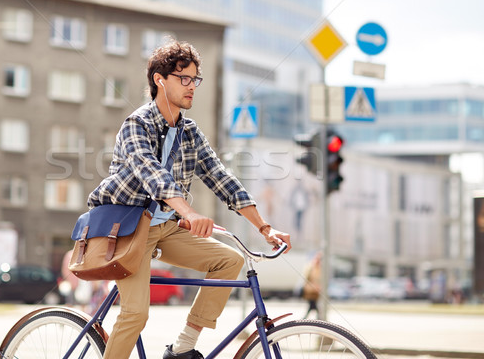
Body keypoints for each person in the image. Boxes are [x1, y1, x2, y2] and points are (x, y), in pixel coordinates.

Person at [88, 39, 292, 359]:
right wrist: (189, 212)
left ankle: (183, 346)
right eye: (184, 78)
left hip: (165, 228)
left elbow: (221, 179)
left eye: (195, 79)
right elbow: (153, 174)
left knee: (229, 260)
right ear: (160, 80)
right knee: (135, 314)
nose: (192, 86)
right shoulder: (136, 125)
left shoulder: (190, 132)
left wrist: (266, 229)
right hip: (125, 229)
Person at [302, 252, 322, 319]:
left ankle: (306, 318)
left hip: (316, 290)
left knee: (312, 305)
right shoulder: (311, 267)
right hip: (310, 290)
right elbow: (307, 278)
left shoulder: (319, 268)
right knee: (312, 304)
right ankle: (319, 318)